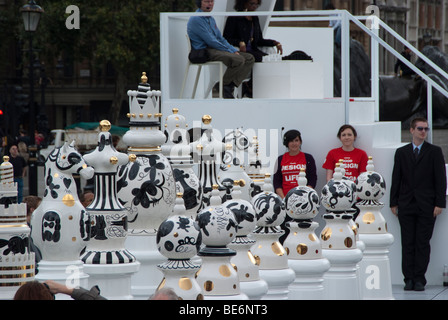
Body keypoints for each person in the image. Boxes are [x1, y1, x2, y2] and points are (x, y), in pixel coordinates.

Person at [390, 117, 446, 292]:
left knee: (422, 243)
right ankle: (408, 279)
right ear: (412, 130)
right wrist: (393, 202)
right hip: (406, 204)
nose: (423, 132)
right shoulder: (401, 152)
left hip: (427, 205)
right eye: (420, 128)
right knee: (407, 243)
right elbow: (396, 178)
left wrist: (439, 203)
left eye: (426, 129)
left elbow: (440, 180)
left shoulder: (434, 151)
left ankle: (419, 279)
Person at [187, 0, 255, 99]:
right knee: (239, 59)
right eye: (206, 1)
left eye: (211, 1)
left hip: (215, 49)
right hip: (205, 51)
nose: (210, 4)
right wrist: (232, 51)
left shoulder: (210, 18)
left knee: (249, 58)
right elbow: (211, 41)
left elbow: (220, 39)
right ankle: (223, 86)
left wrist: (232, 49)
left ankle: (227, 86)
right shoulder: (196, 19)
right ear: (199, 3)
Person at [273, 129, 317, 244]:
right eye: (291, 141)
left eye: (296, 140)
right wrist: (284, 199)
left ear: (300, 142)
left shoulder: (308, 158)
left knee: (303, 232)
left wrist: (304, 198)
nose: (294, 143)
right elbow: (277, 182)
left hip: (303, 203)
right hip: (286, 203)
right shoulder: (280, 159)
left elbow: (313, 179)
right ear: (286, 143)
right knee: (285, 233)